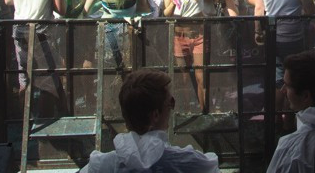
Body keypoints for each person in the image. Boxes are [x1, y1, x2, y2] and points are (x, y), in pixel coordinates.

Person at [79, 69, 218, 173]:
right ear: (155, 115)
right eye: (170, 102)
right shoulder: (189, 162)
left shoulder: (101, 165)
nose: (172, 108)